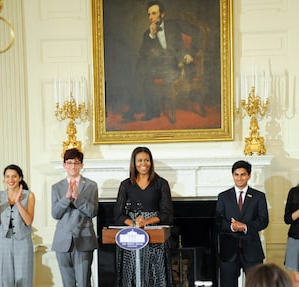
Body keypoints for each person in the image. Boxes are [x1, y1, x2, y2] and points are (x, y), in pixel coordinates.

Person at [123, 0, 201, 121]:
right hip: (161, 68)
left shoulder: (175, 24)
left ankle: (138, 109)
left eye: (154, 13)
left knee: (142, 68)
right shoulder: (147, 34)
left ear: (162, 14)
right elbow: (143, 54)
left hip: (179, 66)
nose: (151, 17)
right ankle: (149, 110)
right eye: (149, 14)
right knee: (142, 65)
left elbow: (198, 32)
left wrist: (191, 54)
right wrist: (152, 36)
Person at [113, 146, 174, 287]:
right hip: (131, 236)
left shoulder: (161, 183)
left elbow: (167, 214)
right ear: (134, 163)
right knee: (132, 272)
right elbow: (118, 215)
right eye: (139, 160)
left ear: (151, 162)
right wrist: (134, 223)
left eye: (147, 160)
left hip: (155, 235)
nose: (143, 163)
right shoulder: (126, 185)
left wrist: (146, 221)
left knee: (155, 272)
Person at [215, 160, 269, 287]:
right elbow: (218, 221)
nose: (239, 178)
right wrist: (232, 226)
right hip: (228, 252)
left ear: (249, 176)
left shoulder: (258, 196)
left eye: (243, 174)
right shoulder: (223, 196)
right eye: (236, 174)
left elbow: (263, 220)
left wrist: (245, 227)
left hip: (252, 251)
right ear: (233, 175)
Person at [51, 148, 99, 287]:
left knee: (84, 282)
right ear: (64, 165)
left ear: (82, 165)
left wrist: (78, 199)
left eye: (76, 163)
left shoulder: (91, 185)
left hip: (84, 239)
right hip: (62, 240)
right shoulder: (57, 187)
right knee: (68, 283)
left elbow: (93, 211)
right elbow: (55, 214)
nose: (73, 166)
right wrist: (66, 198)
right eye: (70, 162)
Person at [0, 164, 35, 287]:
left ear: (20, 178)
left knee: (23, 279)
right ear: (4, 179)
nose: (11, 180)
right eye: (7, 176)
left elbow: (29, 221)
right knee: (5, 279)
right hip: (3, 243)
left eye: (14, 176)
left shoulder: (29, 195)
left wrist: (18, 202)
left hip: (23, 242)